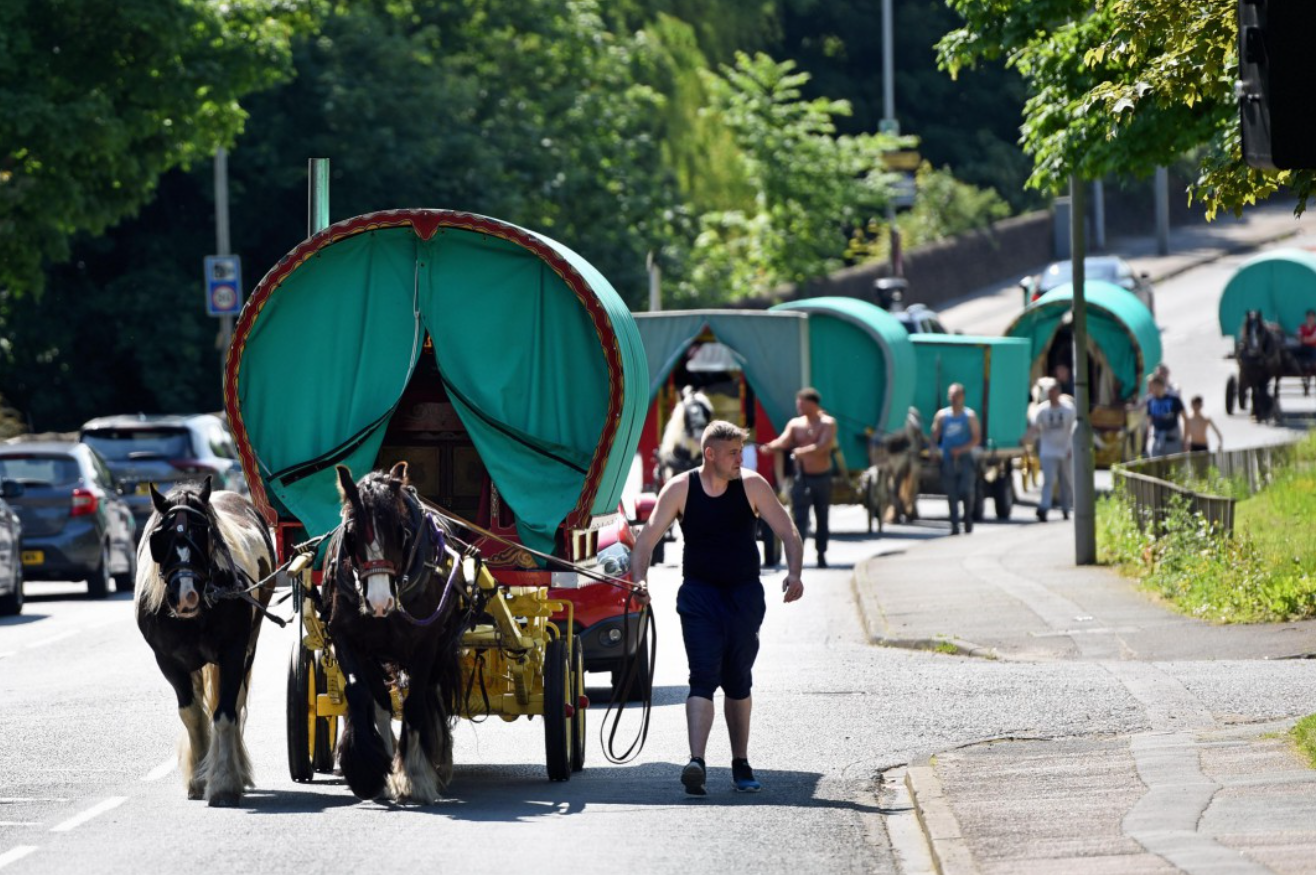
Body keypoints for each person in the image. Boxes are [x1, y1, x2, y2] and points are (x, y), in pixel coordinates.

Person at [630, 421, 805, 796]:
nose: (740, 458)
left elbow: (788, 530)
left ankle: (740, 762)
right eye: (733, 453)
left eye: (742, 452)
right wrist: (639, 581)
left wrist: (794, 572)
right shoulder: (680, 488)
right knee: (702, 676)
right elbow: (645, 539)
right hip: (699, 595)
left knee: (738, 678)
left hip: (743, 596)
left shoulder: (753, 485)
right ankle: (697, 761)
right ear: (710, 454)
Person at [760, 388, 837, 568]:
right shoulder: (795, 424)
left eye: (802, 403)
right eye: (798, 403)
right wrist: (772, 446)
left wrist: (802, 451)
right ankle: (797, 555)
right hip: (800, 477)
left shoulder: (828, 423)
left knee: (822, 515)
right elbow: (784, 440)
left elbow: (824, 446)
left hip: (822, 477)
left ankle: (821, 552)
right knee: (799, 517)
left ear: (813, 403)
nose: (799, 407)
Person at [931, 383, 981, 535]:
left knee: (966, 490)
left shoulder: (969, 416)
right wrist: (933, 450)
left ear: (963, 397)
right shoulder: (942, 416)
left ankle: (967, 518)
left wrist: (961, 449)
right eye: (952, 395)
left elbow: (976, 438)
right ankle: (954, 524)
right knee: (951, 493)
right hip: (948, 458)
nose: (954, 399)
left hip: (965, 458)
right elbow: (934, 436)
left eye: (957, 395)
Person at [1023, 380, 1076, 522]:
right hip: (1048, 450)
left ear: (1059, 392)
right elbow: (1035, 427)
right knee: (1049, 480)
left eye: (1054, 392)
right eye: (1049, 393)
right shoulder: (1042, 410)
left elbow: (1074, 429)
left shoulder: (1068, 409)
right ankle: (1044, 507)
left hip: (1065, 450)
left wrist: (1072, 447)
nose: (1051, 395)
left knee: (1066, 481)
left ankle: (1066, 508)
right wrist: (1026, 439)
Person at [1144, 375, 1189, 457]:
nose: (1150, 390)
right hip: (1157, 441)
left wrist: (1185, 440)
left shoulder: (1174, 399)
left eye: (1152, 387)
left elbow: (1186, 419)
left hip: (1172, 441)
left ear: (1159, 385)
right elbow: (1148, 423)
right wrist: (1146, 443)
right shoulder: (1150, 401)